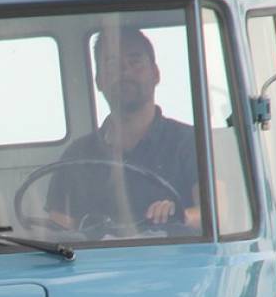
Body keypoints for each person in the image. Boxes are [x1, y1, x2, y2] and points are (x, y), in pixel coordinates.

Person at [46, 27, 201, 231]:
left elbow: (216, 214)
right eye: (112, 65)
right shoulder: (77, 155)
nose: (125, 71)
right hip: (95, 253)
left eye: (135, 62)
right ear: (99, 81)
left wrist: (180, 216)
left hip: (178, 252)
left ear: (156, 74)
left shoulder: (191, 142)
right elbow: (58, 231)